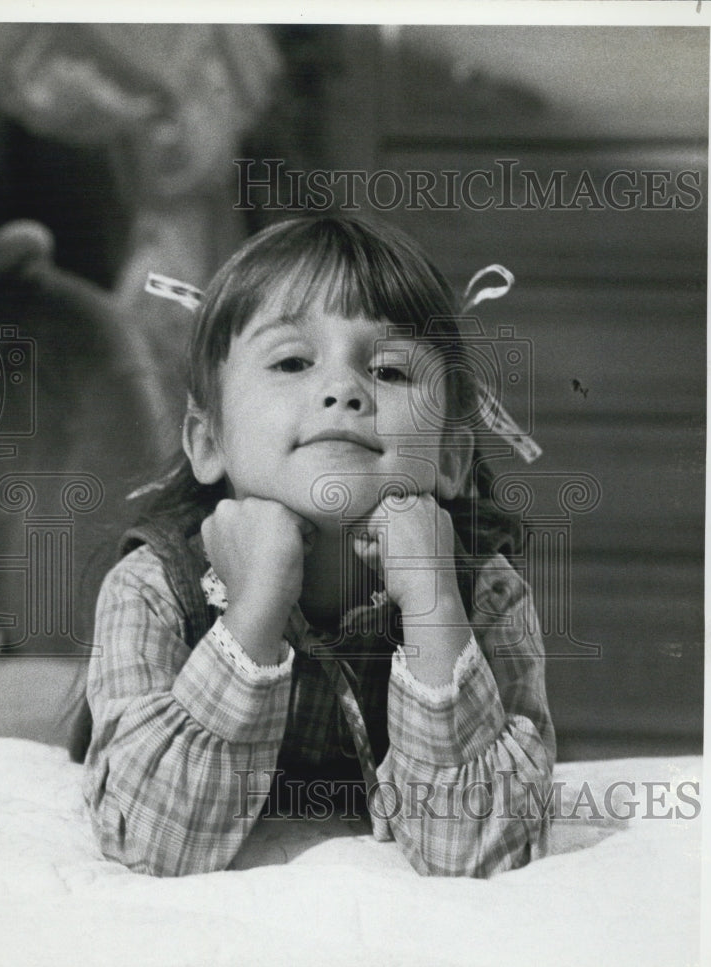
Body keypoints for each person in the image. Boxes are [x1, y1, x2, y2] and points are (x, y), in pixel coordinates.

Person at [82, 216, 555, 878]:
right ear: (208, 443)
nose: (343, 390)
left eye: (389, 369)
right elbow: (153, 843)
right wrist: (255, 609)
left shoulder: (486, 595)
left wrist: (433, 606)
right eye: (292, 362)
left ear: (450, 457)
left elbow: (480, 854)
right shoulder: (152, 588)